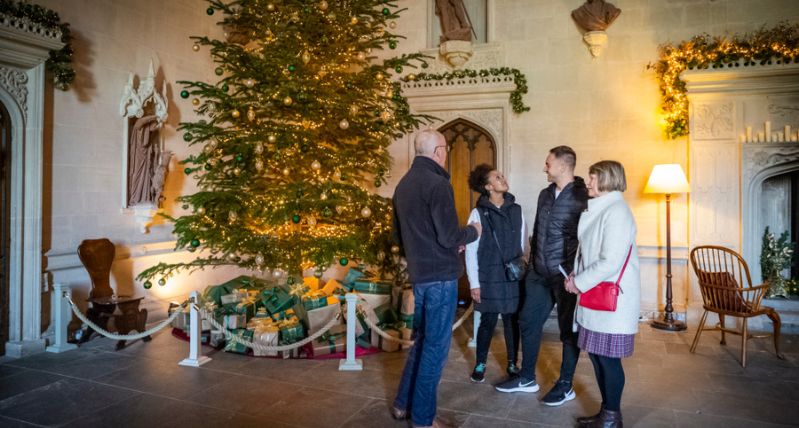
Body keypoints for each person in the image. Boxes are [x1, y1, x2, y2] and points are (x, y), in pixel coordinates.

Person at [392, 129, 482, 428]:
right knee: (434, 349)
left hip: (419, 275)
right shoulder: (437, 183)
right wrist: (472, 232)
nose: (446, 155)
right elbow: (448, 235)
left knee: (420, 343)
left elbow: (400, 237)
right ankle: (422, 419)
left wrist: (437, 244)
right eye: (445, 150)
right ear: (438, 151)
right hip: (441, 278)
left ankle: (402, 405)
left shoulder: (403, 185)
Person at [496, 146, 588, 407]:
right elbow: (538, 230)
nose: (544, 168)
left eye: (548, 164)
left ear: (562, 166)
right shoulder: (544, 194)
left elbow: (587, 237)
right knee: (528, 321)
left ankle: (566, 385)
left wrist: (577, 274)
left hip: (566, 276)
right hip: (538, 272)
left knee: (568, 331)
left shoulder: (583, 196)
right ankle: (526, 378)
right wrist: (532, 263)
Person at [564, 160, 640, 428]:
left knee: (608, 360)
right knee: (598, 357)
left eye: (593, 176)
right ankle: (607, 414)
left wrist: (579, 283)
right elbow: (590, 254)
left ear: (607, 179)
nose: (588, 181)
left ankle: (612, 418)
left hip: (611, 302)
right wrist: (576, 276)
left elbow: (611, 261)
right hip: (596, 297)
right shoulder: (603, 208)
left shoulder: (617, 211)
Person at [464, 165, 528, 383]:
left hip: (512, 276)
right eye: (497, 177)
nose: (503, 178)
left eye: (502, 175)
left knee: (512, 321)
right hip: (488, 277)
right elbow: (471, 251)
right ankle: (480, 363)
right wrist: (474, 283)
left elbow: (522, 244)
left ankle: (512, 364)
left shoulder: (517, 210)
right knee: (487, 321)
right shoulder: (478, 212)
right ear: (488, 187)